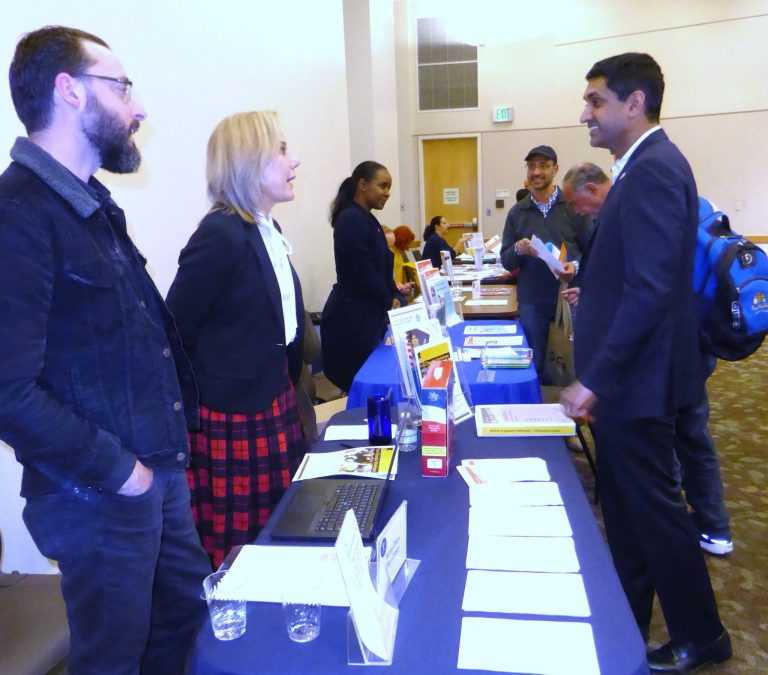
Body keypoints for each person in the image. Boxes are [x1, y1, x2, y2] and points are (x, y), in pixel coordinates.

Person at [0, 26, 211, 673]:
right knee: (112, 660)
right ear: (68, 91)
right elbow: (7, 391)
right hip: (99, 494)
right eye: (122, 87)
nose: (138, 107)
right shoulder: (17, 213)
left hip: (153, 474)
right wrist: (124, 472)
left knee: (185, 625)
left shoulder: (90, 204)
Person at [560, 53, 731, 672]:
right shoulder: (640, 168)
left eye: (596, 101)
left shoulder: (654, 169)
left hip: (636, 383)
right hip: (630, 382)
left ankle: (702, 635)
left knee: (655, 514)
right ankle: (626, 624)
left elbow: (652, 289)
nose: (586, 114)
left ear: (635, 104)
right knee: (629, 514)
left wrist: (595, 378)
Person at [562, 163, 733, 556]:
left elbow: (646, 290)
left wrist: (596, 376)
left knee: (674, 439)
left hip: (669, 349)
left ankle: (682, 530)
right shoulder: (648, 206)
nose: (577, 212)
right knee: (690, 435)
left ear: (593, 189)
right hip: (688, 339)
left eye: (576, 203)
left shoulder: (636, 204)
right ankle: (711, 526)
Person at [166, 111, 306, 569]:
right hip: (234, 412)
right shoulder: (220, 234)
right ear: (249, 162)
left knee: (281, 524)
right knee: (242, 544)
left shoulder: (266, 228)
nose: (294, 161)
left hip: (273, 397)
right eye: (281, 151)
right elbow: (173, 331)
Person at [499, 145, 593, 380]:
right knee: (534, 366)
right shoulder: (517, 212)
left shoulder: (573, 206)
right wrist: (518, 249)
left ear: (555, 169)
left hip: (570, 298)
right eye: (531, 166)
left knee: (575, 364)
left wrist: (575, 266)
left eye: (543, 166)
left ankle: (574, 403)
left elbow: (592, 250)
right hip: (532, 301)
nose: (536, 172)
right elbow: (506, 260)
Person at [321, 161, 401, 391]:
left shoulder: (369, 219)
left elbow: (382, 267)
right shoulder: (350, 219)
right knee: (366, 387)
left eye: (389, 188)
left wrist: (395, 294)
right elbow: (363, 271)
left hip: (368, 314)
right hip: (351, 321)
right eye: (382, 186)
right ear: (363, 185)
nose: (387, 193)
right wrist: (388, 300)